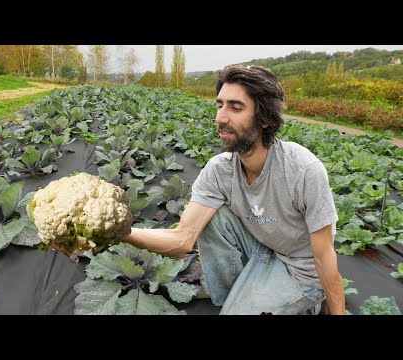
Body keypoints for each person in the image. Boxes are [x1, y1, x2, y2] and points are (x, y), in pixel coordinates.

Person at [123, 65, 345, 315]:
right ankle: (235, 298)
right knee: (211, 215)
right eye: (220, 105)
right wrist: (122, 232)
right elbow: (182, 239)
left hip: (300, 272)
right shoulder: (220, 169)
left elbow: (325, 257)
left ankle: (304, 304)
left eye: (235, 107)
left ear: (264, 118)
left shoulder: (303, 170)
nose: (220, 117)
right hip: (261, 248)